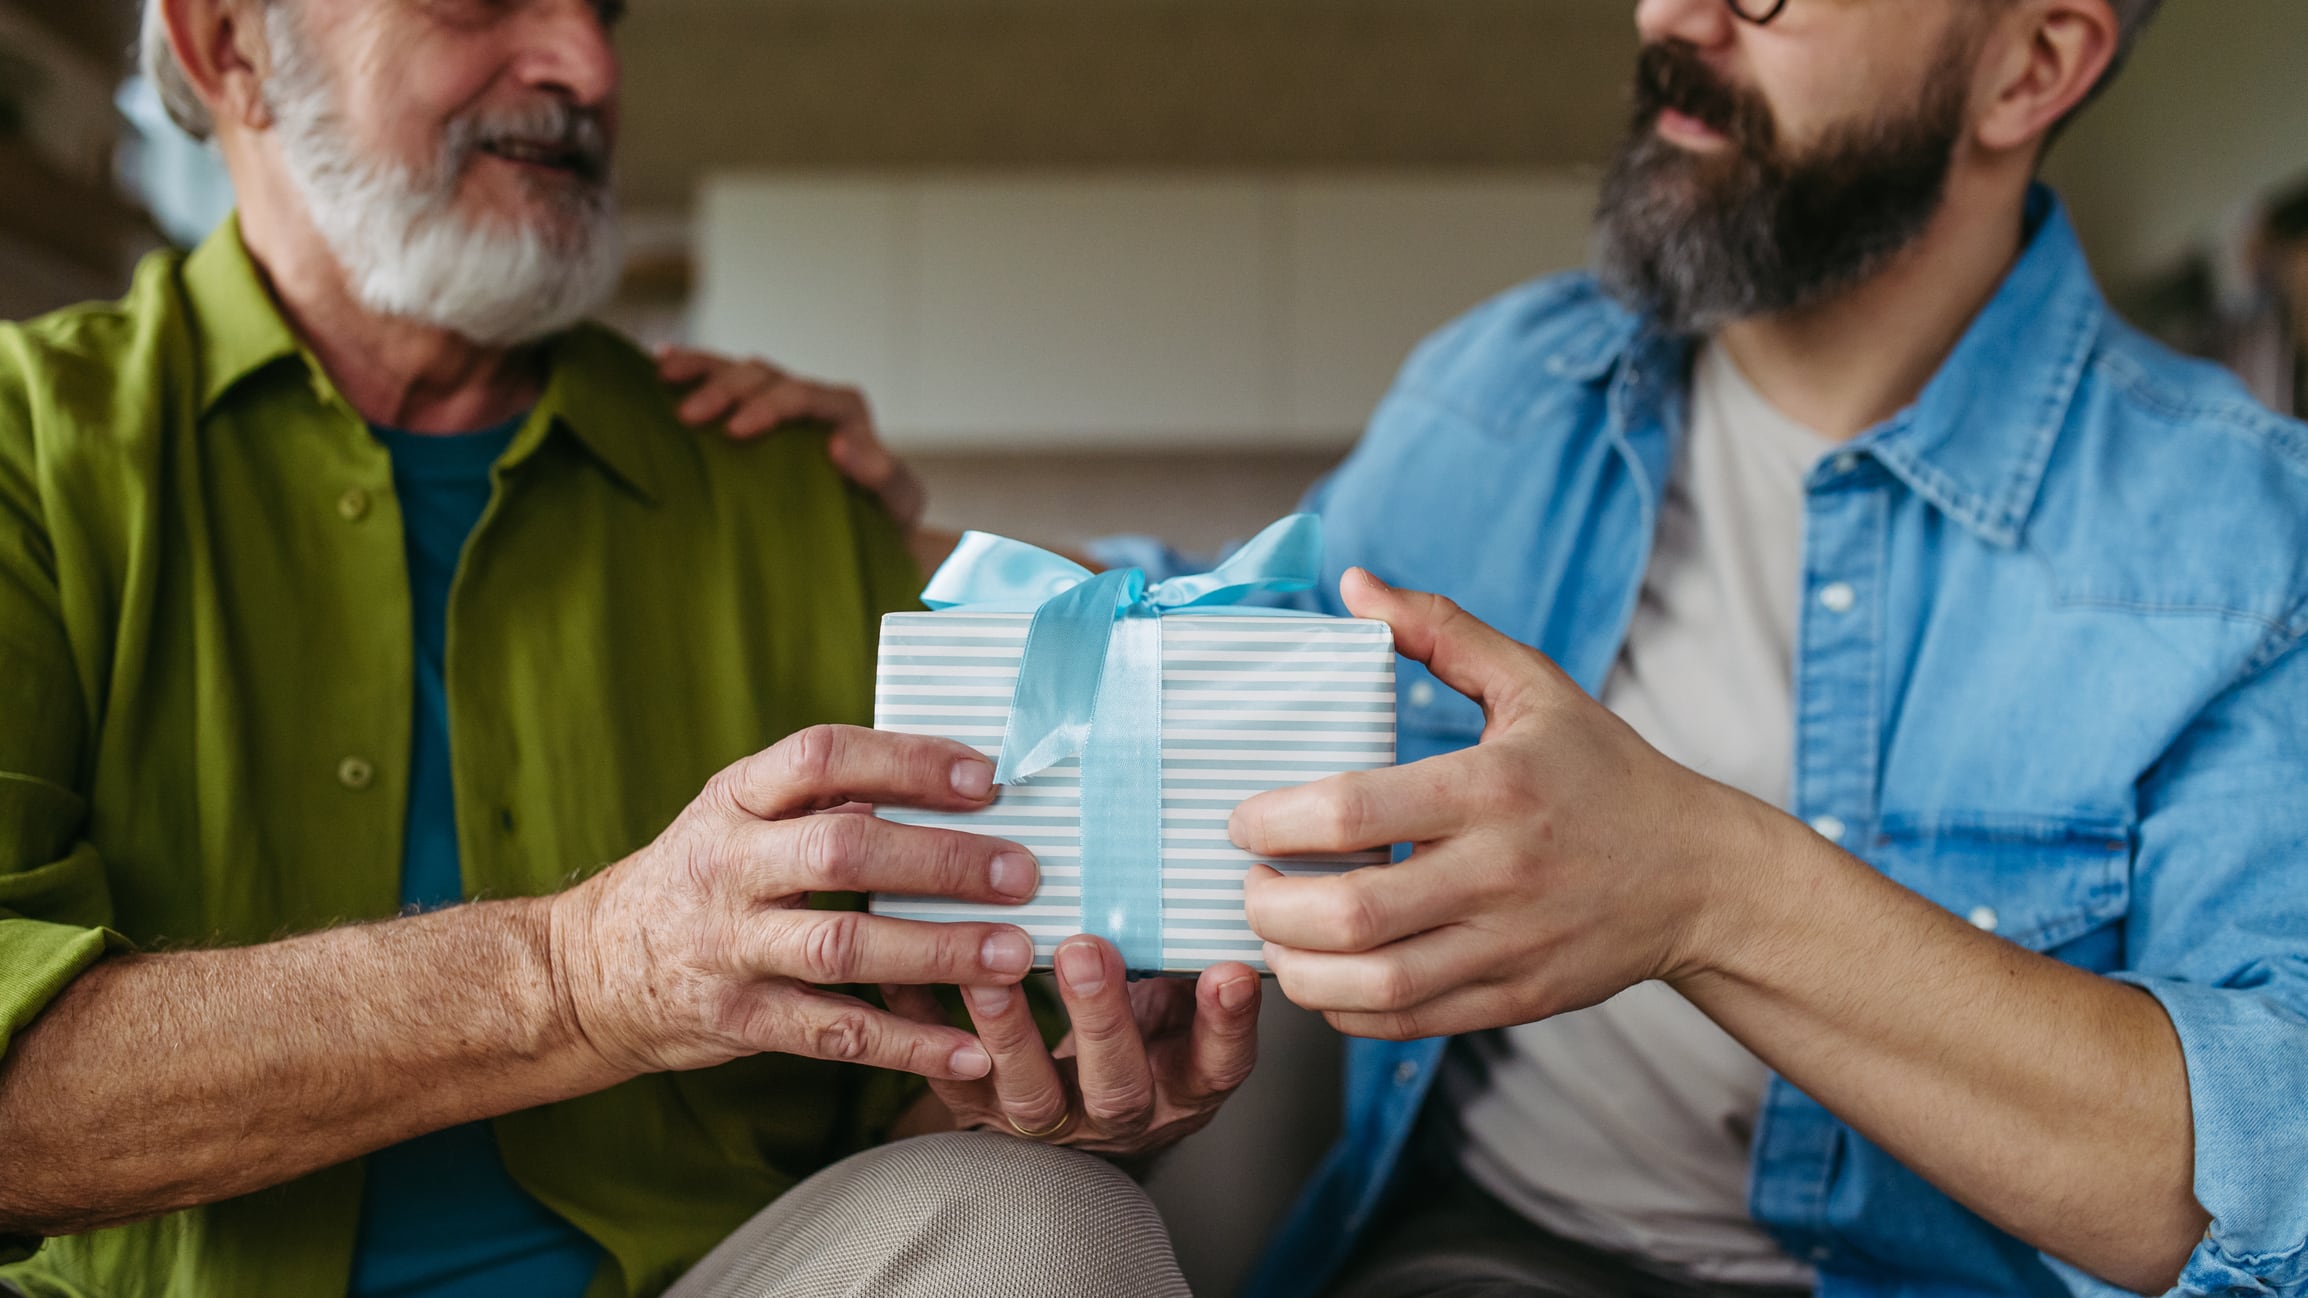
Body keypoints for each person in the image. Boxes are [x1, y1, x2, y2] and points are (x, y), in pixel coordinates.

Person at [737, 0, 2308, 1293]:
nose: (1673, 19)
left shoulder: (2248, 548)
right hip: (1487, 1259)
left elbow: (2267, 1184)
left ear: (2032, 64)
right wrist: (898, 538)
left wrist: (1704, 887)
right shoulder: (1507, 384)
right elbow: (1232, 624)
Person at [0, 0, 1261, 1295]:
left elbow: (915, 1100)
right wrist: (582, 970)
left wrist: (1044, 1088)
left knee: (1041, 1219)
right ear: (227, 46)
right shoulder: (25, 452)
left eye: (603, 10)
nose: (588, 68)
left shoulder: (785, 493)